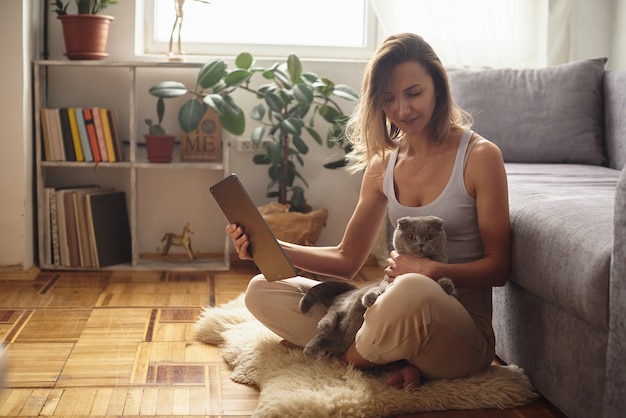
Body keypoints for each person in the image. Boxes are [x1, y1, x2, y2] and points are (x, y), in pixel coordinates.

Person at [226, 32, 511, 389]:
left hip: (461, 335)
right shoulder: (383, 164)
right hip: (390, 309)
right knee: (261, 291)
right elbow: (347, 259)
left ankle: (347, 359)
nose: (402, 110)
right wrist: (269, 247)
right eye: (388, 99)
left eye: (413, 93)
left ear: (438, 86)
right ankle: (386, 357)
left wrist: (432, 270)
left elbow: (499, 268)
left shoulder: (481, 157)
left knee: (411, 289)